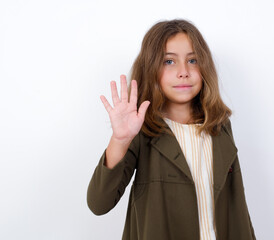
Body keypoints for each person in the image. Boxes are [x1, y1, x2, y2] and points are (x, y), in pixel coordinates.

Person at [87, 19, 256, 240]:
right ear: (151, 68)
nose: (184, 72)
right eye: (169, 62)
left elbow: (237, 207)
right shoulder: (141, 130)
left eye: (193, 60)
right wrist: (120, 139)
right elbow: (99, 203)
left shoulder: (219, 126)